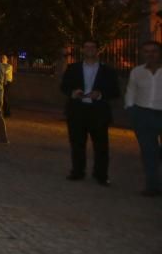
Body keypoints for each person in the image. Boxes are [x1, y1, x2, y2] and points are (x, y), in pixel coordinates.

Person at [60, 39, 120, 186]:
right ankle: (78, 171)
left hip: (98, 112)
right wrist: (73, 92)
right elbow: (64, 86)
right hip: (77, 110)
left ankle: (101, 174)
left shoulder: (108, 70)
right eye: (86, 47)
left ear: (98, 50)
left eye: (92, 47)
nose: (89, 49)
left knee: (101, 145)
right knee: (77, 143)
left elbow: (115, 91)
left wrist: (99, 94)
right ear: (82, 50)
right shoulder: (73, 68)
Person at [125, 40, 162, 196]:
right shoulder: (137, 71)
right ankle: (152, 186)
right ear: (142, 54)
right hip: (143, 114)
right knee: (148, 152)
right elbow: (131, 91)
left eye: (154, 51)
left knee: (155, 152)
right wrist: (131, 110)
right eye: (146, 51)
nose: (150, 54)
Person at [0, 53, 14, 117]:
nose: (2, 59)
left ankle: (7, 112)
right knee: (2, 97)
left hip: (7, 82)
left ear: (7, 59)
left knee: (4, 96)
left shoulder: (9, 66)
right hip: (2, 82)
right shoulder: (0, 65)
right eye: (2, 58)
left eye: (4, 58)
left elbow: (4, 72)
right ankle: (4, 111)